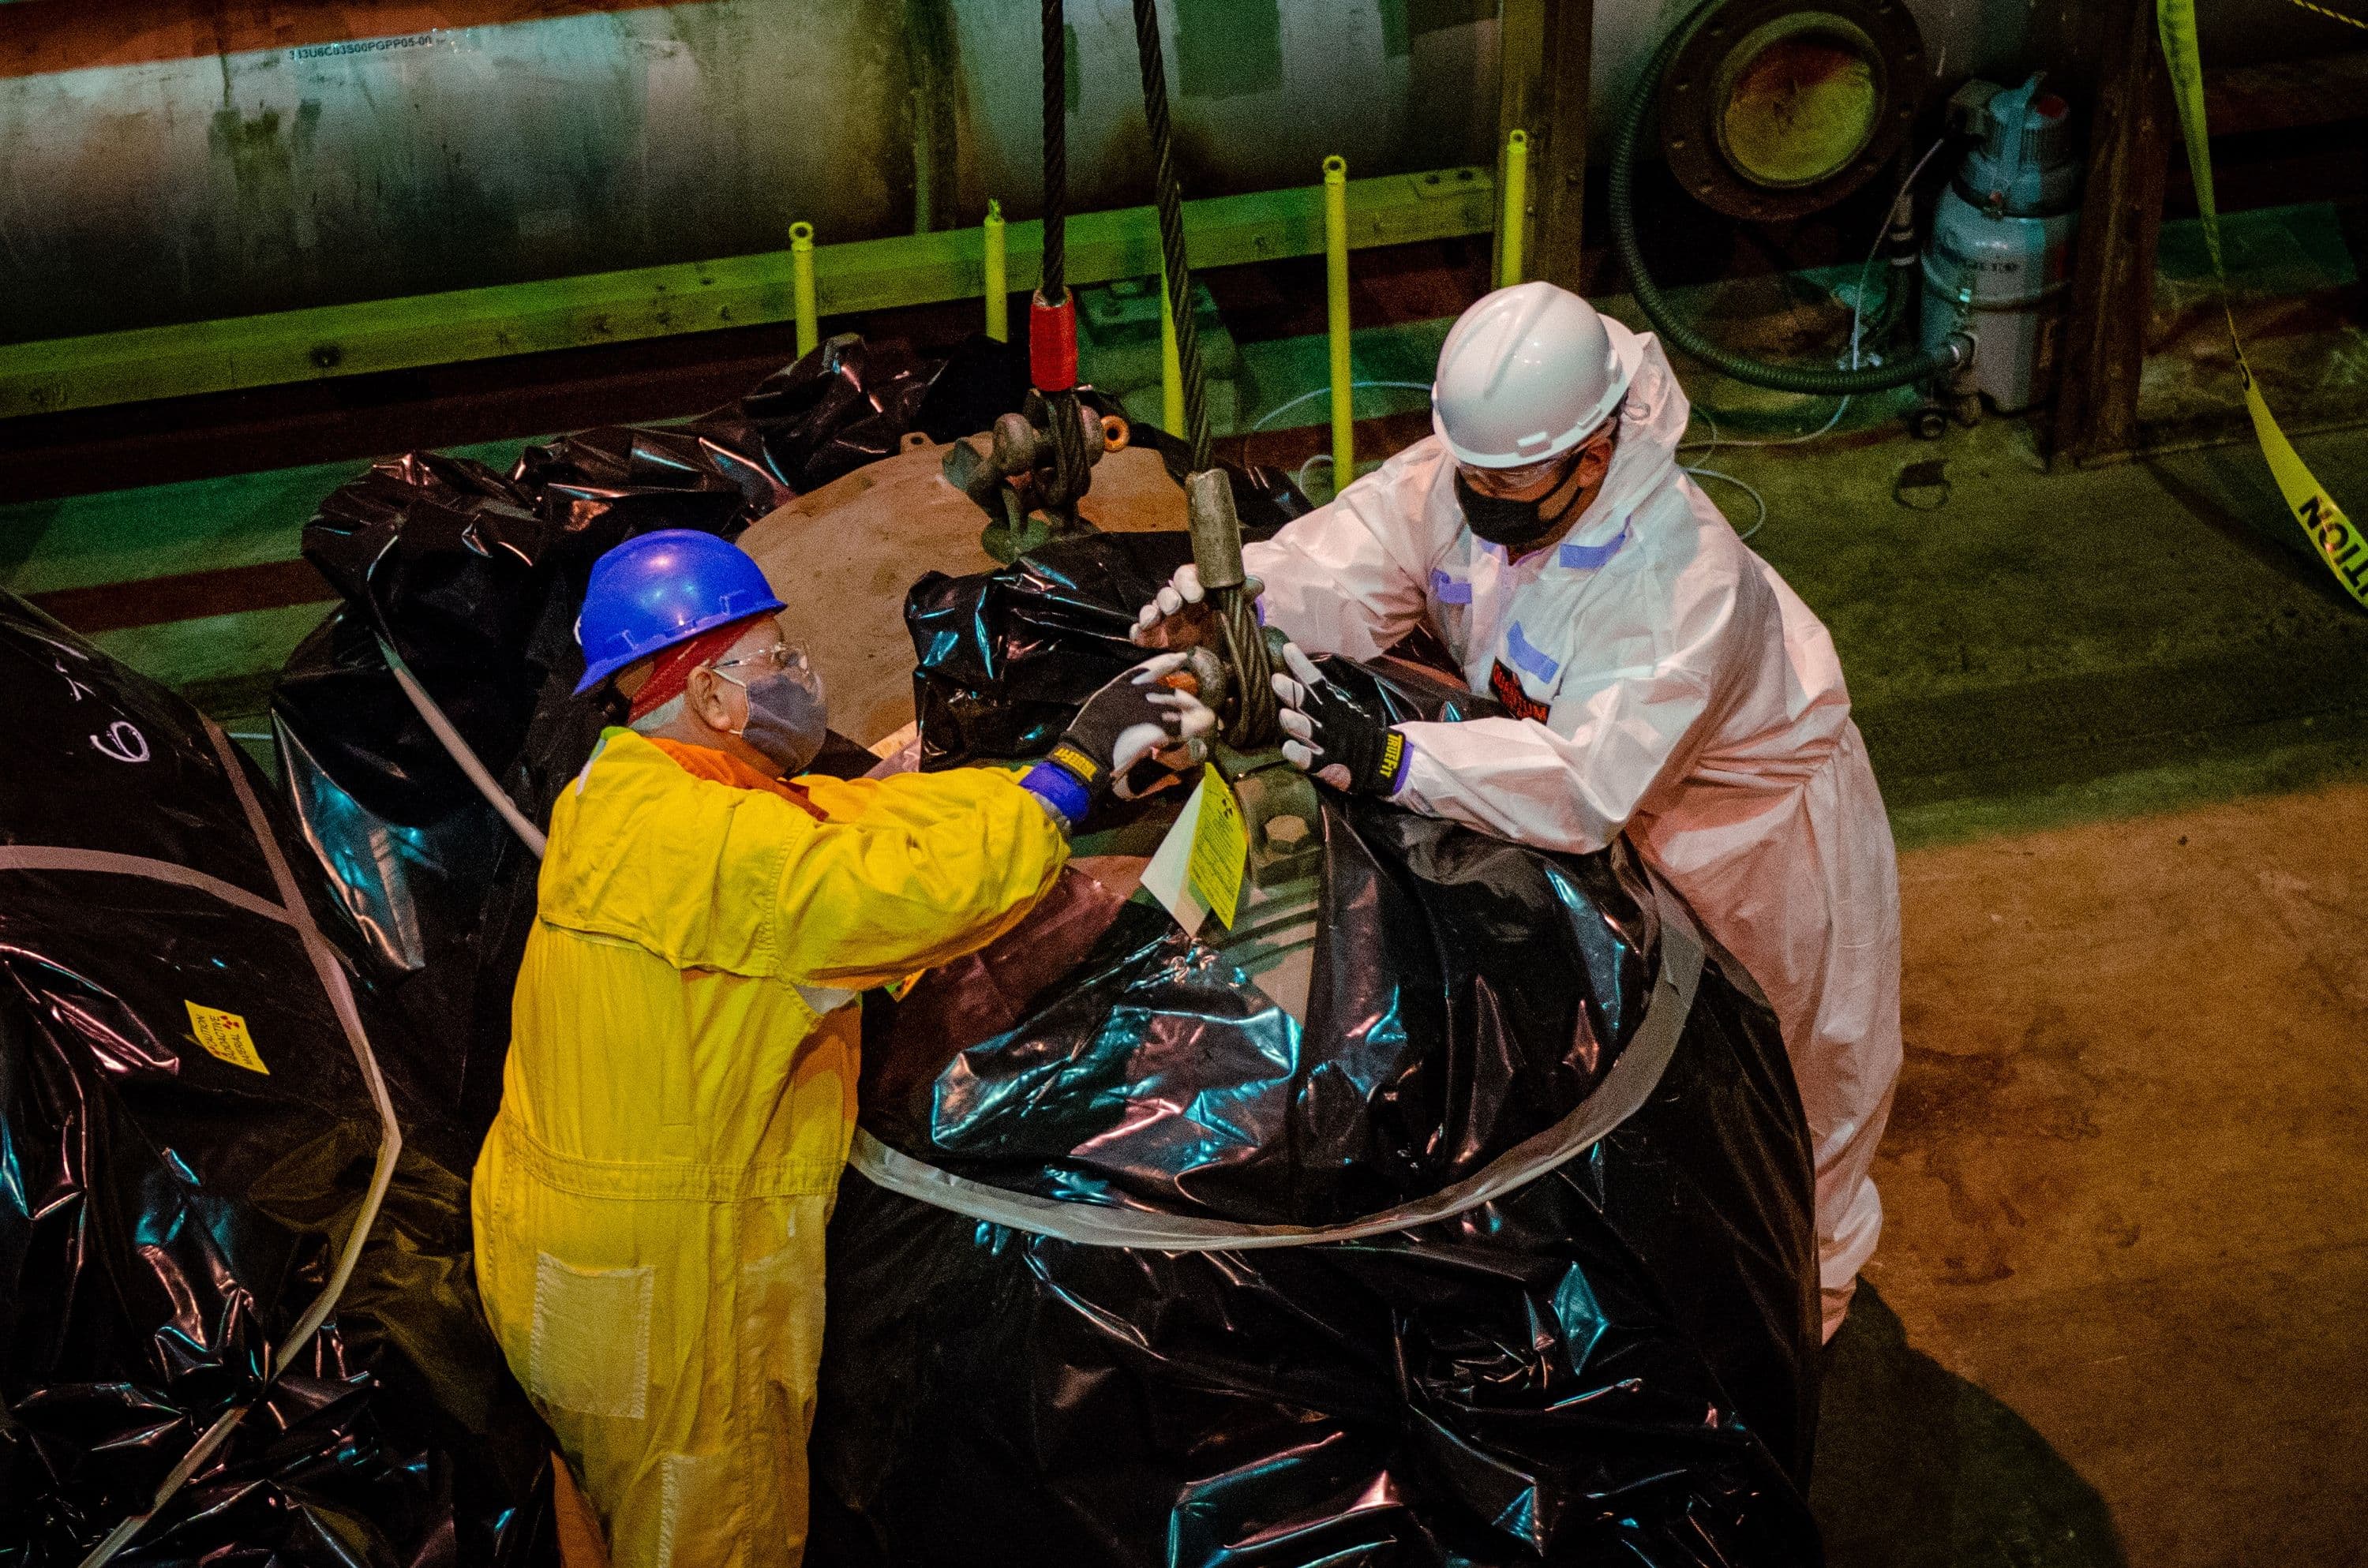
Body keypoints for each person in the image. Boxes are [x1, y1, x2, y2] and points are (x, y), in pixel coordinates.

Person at [1135, 283, 1901, 1341]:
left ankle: (1799, 1312)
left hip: (1752, 840)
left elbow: (1584, 780)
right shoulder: (1480, 477)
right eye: (1472, 471)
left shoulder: (1680, 581)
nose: (1483, 497)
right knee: (1660, 1081)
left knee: (1794, 1077)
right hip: (1628, 816)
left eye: (1513, 477)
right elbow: (1364, 559)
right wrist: (1246, 602)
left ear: (1595, 452)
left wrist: (1391, 756)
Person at [472, 529, 1212, 1568]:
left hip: (562, 1254)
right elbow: (891, 895)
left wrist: (1066, 781)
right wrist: (1070, 779)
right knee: (718, 1540)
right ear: (716, 695)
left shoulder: (638, 785)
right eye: (776, 658)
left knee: (604, 1517)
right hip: (676, 1294)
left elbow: (858, 817)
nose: (800, 676)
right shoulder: (720, 849)